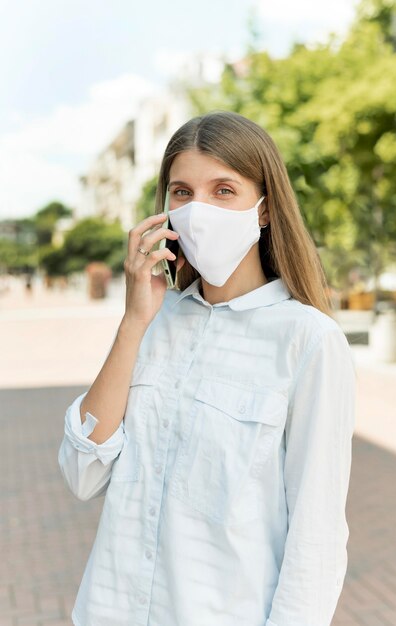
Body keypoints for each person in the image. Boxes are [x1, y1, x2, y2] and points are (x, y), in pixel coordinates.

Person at [58, 110, 357, 626]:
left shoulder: (308, 340)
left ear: (263, 209)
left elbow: (318, 535)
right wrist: (134, 321)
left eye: (224, 190)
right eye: (182, 192)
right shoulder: (152, 320)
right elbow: (82, 472)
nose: (198, 210)